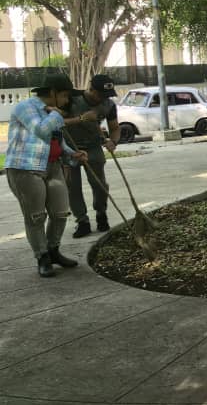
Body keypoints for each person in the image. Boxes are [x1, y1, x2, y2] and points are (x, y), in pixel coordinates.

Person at [6, 75, 87, 277]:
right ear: (52, 92)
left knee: (60, 212)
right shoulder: (26, 108)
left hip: (53, 166)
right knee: (36, 216)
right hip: (25, 169)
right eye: (65, 95)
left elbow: (55, 140)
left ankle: (53, 250)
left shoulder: (53, 113)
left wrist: (70, 153)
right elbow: (41, 131)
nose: (67, 101)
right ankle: (42, 256)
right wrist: (56, 115)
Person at [64, 74, 121, 238]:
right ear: (91, 89)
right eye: (101, 95)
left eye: (107, 96)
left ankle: (101, 213)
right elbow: (58, 120)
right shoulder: (71, 98)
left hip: (94, 147)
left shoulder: (109, 106)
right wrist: (81, 119)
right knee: (72, 187)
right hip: (70, 148)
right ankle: (82, 221)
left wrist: (113, 142)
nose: (104, 99)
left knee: (100, 185)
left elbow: (115, 128)